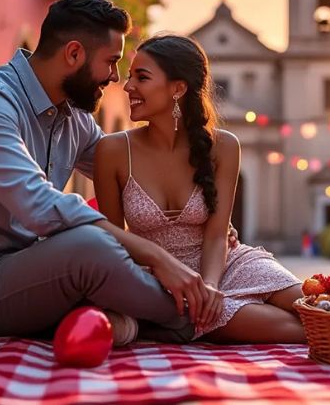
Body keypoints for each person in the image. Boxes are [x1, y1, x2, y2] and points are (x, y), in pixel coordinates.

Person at [0, 0, 218, 346]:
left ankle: (131, 322)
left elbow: (131, 174)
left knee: (100, 251)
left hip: (36, 275)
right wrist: (156, 256)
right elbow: (41, 208)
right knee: (91, 246)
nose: (114, 78)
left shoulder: (73, 118)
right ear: (74, 53)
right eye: (111, 62)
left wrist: (197, 208)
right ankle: (199, 320)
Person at [94, 34, 306, 343]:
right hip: (163, 283)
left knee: (319, 308)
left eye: (142, 77)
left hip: (225, 264)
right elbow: (113, 242)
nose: (128, 87)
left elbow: (217, 234)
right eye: (130, 76)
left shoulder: (224, 146)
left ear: (178, 88)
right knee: (300, 331)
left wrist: (210, 285)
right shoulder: (112, 150)